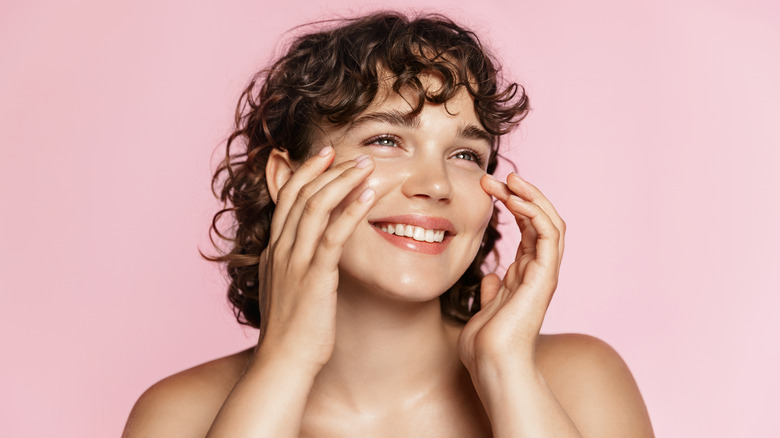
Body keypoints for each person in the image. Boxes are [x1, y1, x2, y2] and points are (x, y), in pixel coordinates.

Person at [122, 11, 654, 438]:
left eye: (467, 154)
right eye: (386, 140)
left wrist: (506, 373)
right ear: (290, 177)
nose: (438, 184)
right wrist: (284, 363)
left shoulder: (579, 382)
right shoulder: (179, 416)